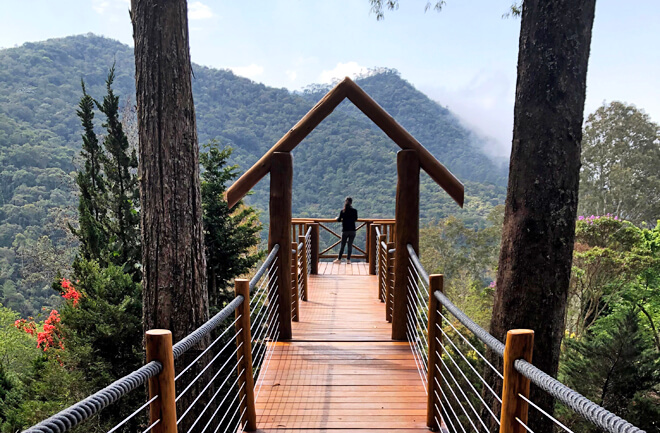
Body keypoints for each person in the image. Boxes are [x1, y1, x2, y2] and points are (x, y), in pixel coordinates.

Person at [334, 197, 358, 264]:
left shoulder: (343, 211)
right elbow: (355, 219)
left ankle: (339, 259)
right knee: (350, 245)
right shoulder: (354, 211)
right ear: (351, 202)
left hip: (345, 230)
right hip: (352, 230)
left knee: (343, 245)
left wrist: (336, 218)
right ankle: (348, 260)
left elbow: (339, 220)